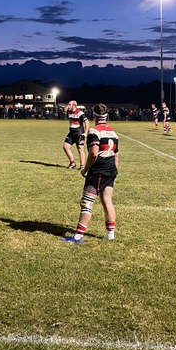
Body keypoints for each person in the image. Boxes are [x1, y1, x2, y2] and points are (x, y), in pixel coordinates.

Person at [61, 104, 119, 244]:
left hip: (98, 170)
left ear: (94, 116)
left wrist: (85, 169)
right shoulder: (113, 132)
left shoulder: (94, 131)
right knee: (107, 200)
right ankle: (110, 234)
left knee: (87, 201)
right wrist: (114, 171)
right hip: (111, 169)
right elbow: (116, 155)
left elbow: (93, 154)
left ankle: (78, 237)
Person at [63, 100, 89, 170]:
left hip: (79, 132)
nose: (68, 106)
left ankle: (82, 166)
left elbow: (87, 122)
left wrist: (85, 133)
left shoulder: (80, 113)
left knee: (80, 149)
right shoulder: (68, 111)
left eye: (69, 104)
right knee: (65, 146)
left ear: (74, 105)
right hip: (71, 132)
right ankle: (72, 163)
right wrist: (65, 111)